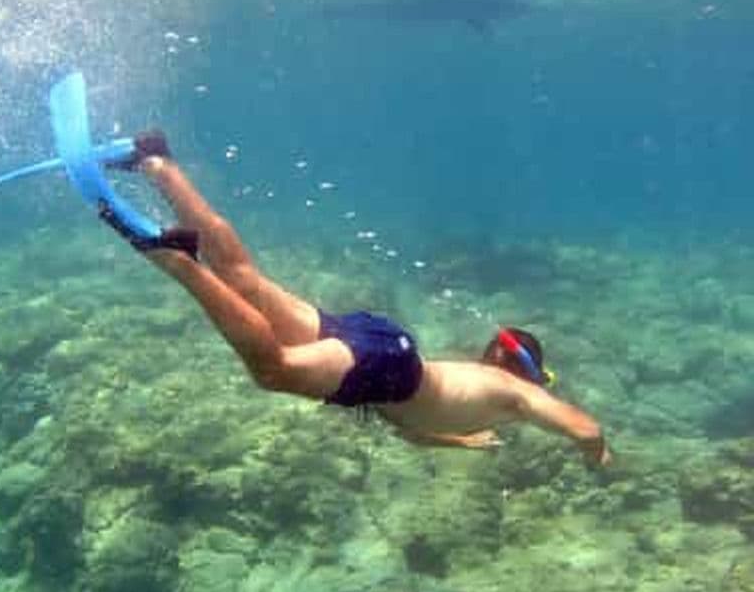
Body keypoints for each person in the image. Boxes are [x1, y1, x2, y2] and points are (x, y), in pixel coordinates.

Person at [104, 131, 610, 467]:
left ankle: (156, 160)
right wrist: (598, 455)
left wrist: (457, 441)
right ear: (519, 365)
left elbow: (409, 427)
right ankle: (178, 260)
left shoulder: (473, 389)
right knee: (272, 370)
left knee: (246, 281)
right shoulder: (516, 393)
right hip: (388, 366)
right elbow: (584, 429)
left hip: (380, 344)